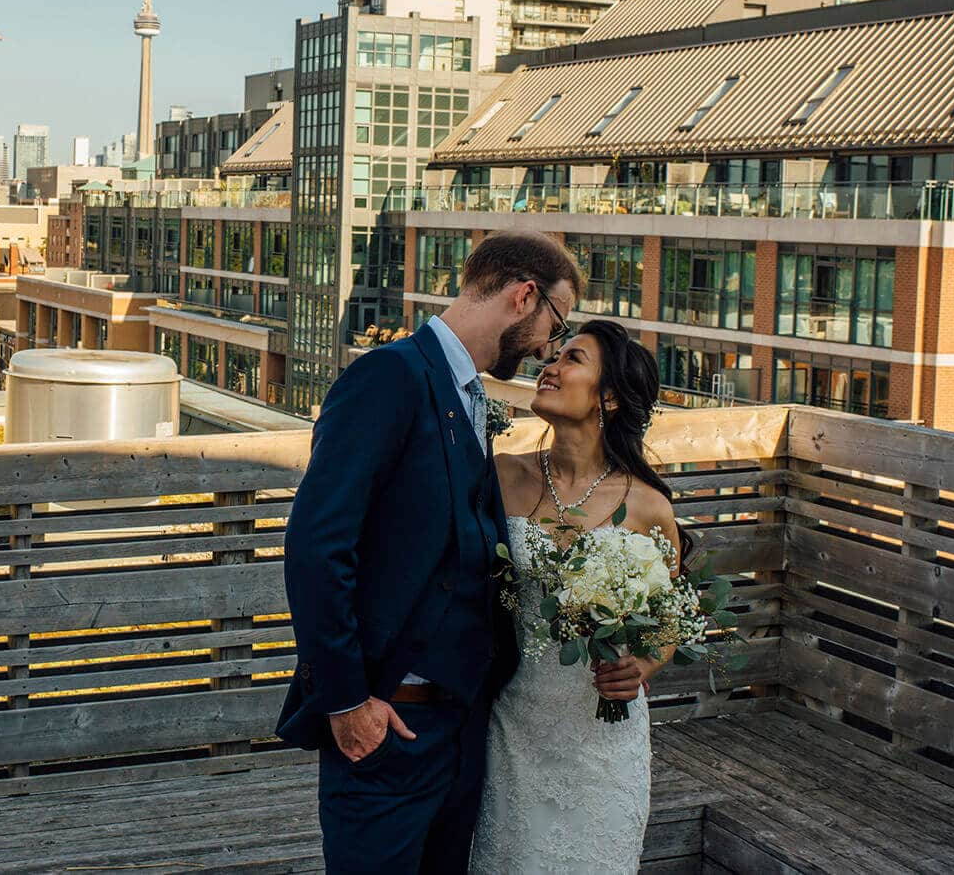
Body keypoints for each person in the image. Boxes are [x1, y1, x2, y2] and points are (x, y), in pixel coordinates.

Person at [277, 231, 580, 873]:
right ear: (525, 297)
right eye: (555, 325)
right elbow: (316, 544)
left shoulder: (469, 392)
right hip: (387, 729)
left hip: (461, 732)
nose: (547, 350)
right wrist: (347, 701)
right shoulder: (389, 375)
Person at [470, 319, 686, 873]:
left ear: (608, 396)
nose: (551, 366)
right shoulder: (499, 477)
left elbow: (667, 626)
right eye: (554, 356)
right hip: (515, 721)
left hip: (601, 735)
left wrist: (639, 667)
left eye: (573, 359)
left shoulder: (648, 506)